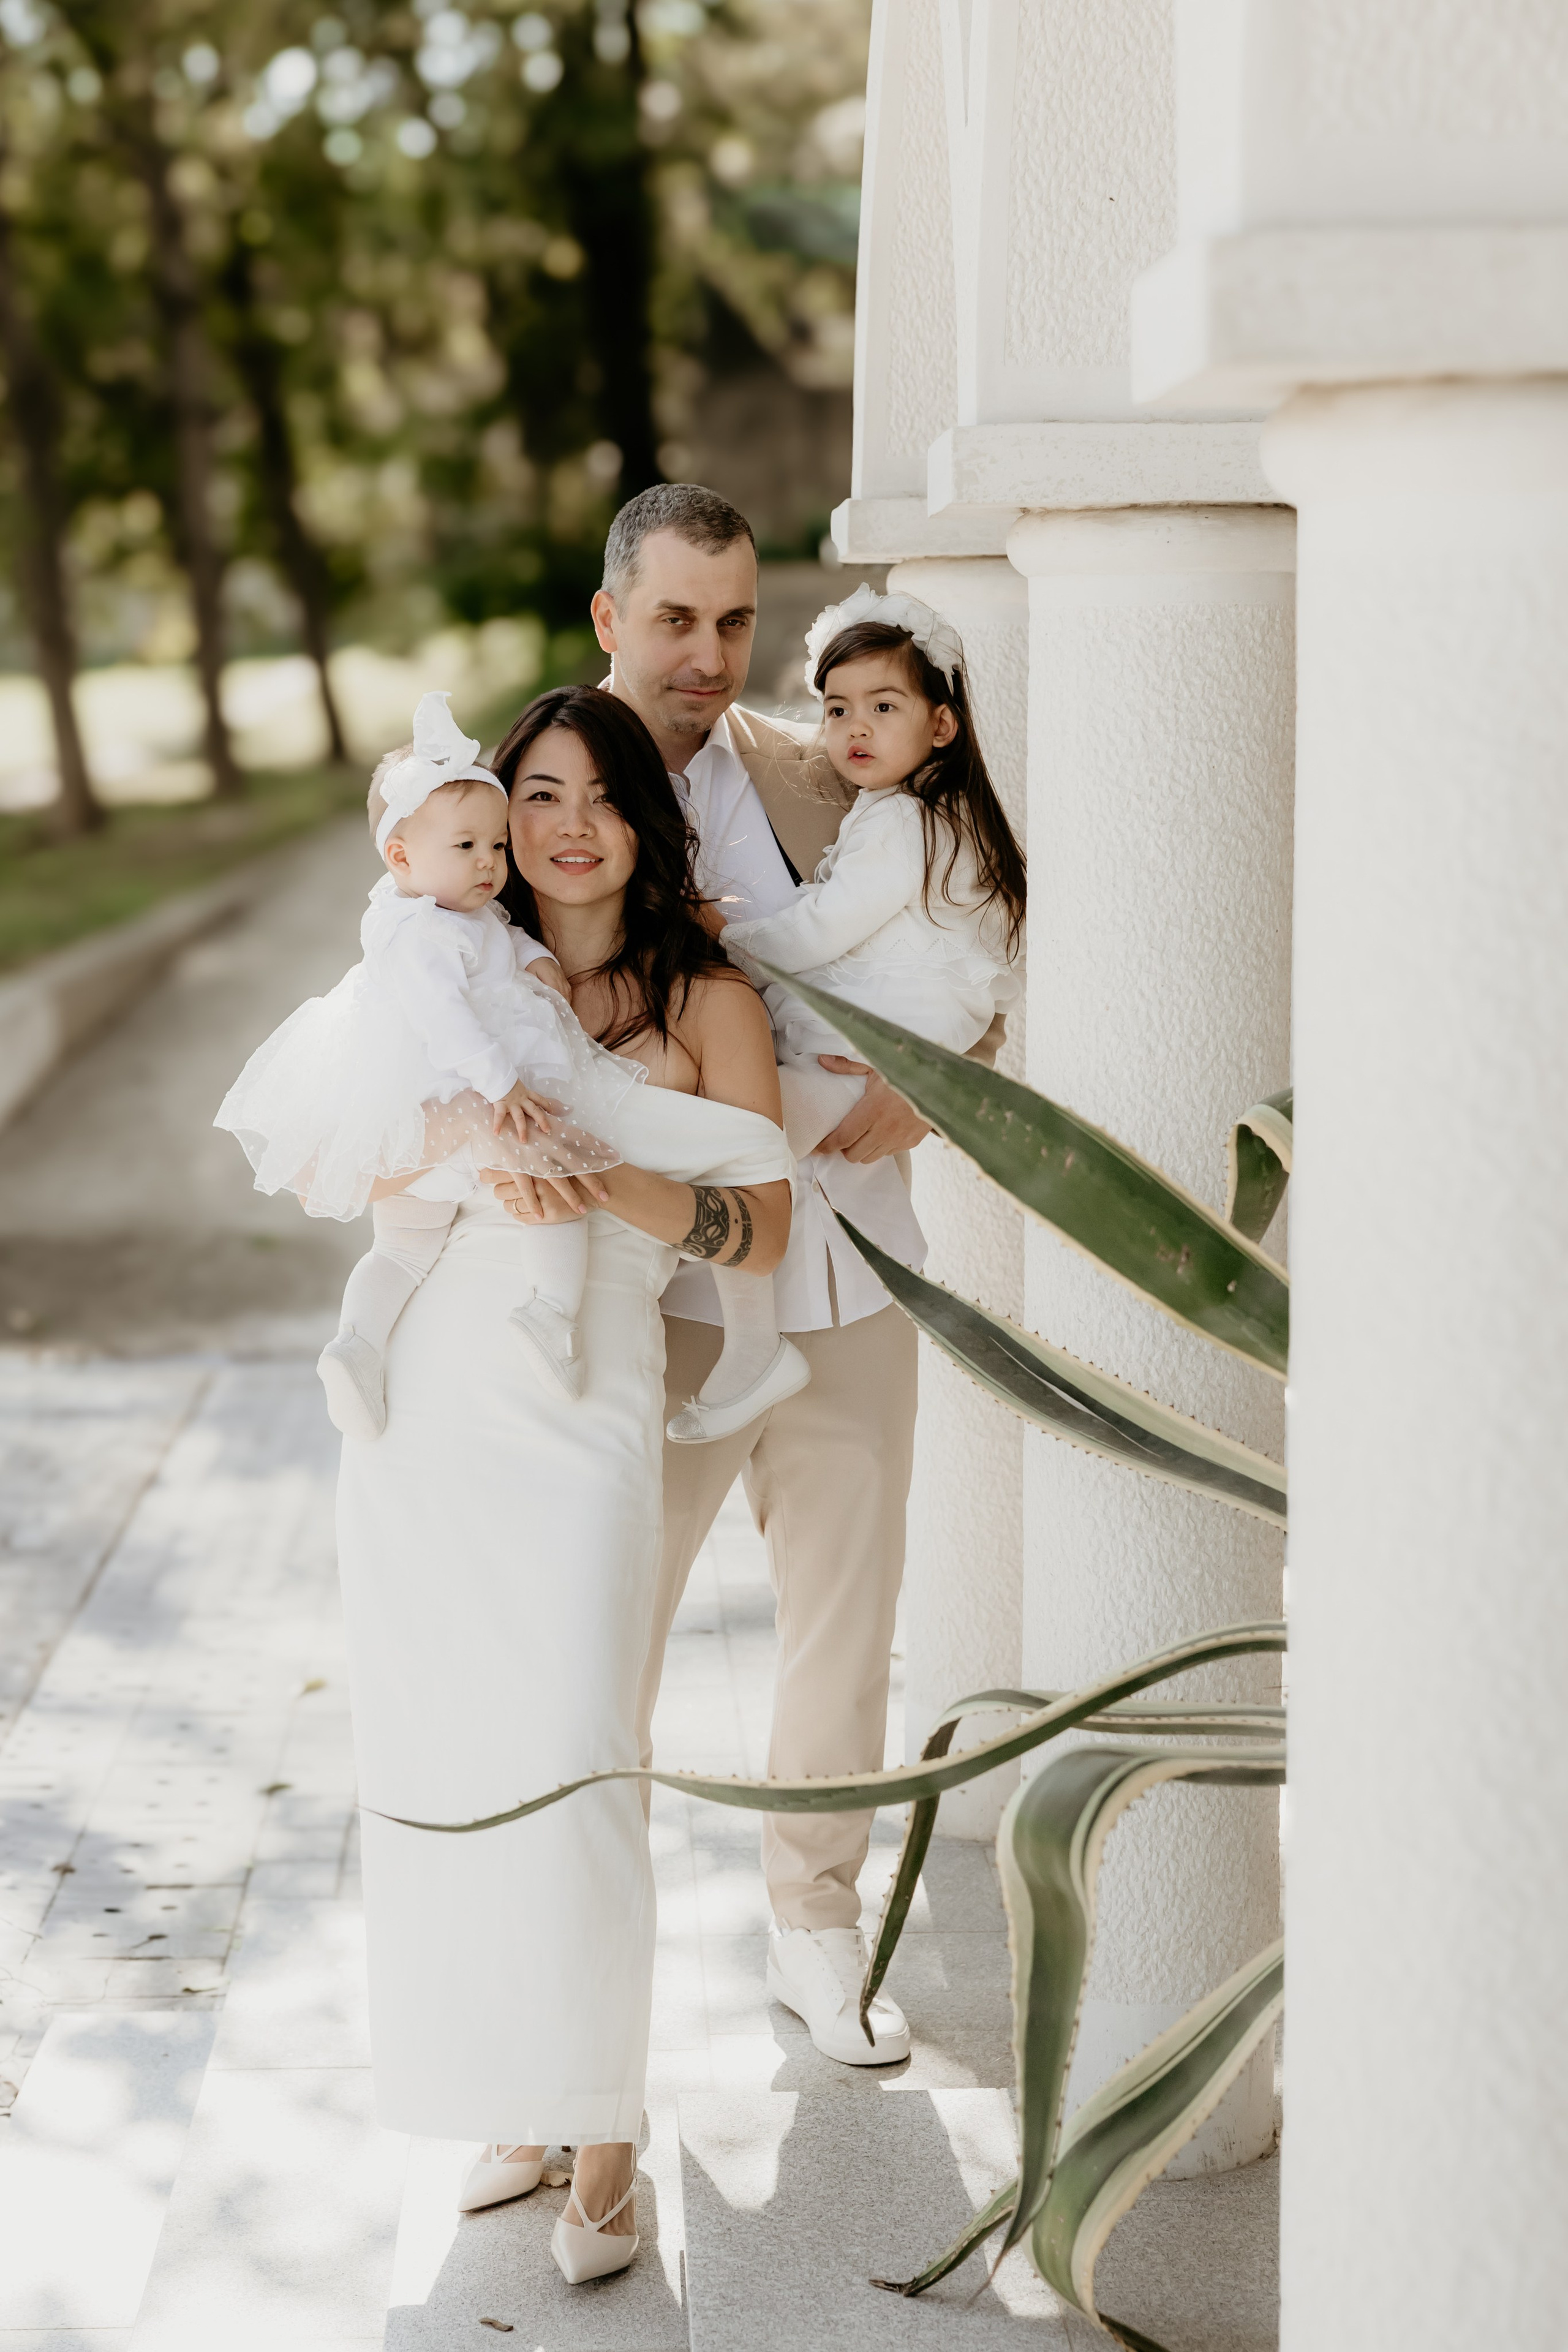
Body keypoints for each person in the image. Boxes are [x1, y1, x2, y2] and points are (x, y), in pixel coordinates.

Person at [331, 685, 794, 2283]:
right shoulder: (453, 962)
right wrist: (465, 1127)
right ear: (495, 813)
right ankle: (508, 2099)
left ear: (643, 820)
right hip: (440, 1399)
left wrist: (601, 1170)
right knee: (459, 1742)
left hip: (593, 1393)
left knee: (587, 1758)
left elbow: (762, 1232)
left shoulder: (708, 997)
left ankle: (608, 2137)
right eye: (536, 793)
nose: (568, 825)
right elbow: (370, 1166)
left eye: (600, 794)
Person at [583, 483, 1017, 2066]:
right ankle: (578, 1973)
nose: (710, 655)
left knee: (847, 1621)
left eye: (735, 619)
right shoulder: (549, 779)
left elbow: (968, 904)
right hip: (660, 1286)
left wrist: (962, 1052)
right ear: (611, 618)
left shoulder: (822, 761)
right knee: (602, 1634)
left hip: (857, 1257)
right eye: (678, 618)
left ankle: (817, 1933)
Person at [214, 690, 651, 1438]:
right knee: (553, 1183)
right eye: (466, 848)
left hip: (437, 1117)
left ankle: (363, 1344)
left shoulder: (461, 914)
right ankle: (545, 1312)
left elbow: (504, 938)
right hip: (453, 1100)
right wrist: (502, 1086)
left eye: (496, 847)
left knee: (410, 1244)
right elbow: (447, 1022)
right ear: (401, 857)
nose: (489, 864)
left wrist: (538, 960)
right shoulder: (412, 933)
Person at [687, 584, 1026, 1440]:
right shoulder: (926, 816)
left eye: (883, 706)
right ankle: (751, 1344)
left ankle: (753, 1347)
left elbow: (823, 926)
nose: (854, 730)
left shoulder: (904, 821)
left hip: (851, 1065)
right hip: (848, 1058)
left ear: (941, 724)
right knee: (728, 1159)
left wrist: (727, 939)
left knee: (722, 1159)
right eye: (837, 709)